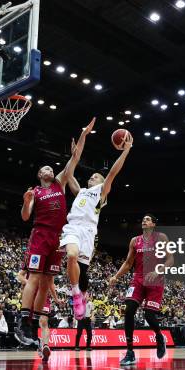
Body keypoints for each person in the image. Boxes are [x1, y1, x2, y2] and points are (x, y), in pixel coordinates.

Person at [15, 119, 95, 345]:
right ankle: (22, 320)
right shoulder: (36, 191)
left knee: (46, 281)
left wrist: (83, 135)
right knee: (35, 277)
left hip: (58, 237)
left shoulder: (60, 183)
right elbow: (25, 216)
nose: (50, 169)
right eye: (46, 168)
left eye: (52, 168)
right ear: (40, 174)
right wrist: (25, 201)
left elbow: (75, 158)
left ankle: (33, 324)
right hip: (41, 235)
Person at [62, 132, 134, 320]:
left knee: (82, 270)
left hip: (88, 231)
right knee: (71, 256)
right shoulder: (81, 191)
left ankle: (81, 294)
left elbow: (112, 173)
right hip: (72, 227)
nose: (92, 177)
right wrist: (74, 156)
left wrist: (126, 151)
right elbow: (68, 174)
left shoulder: (100, 193)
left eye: (96, 176)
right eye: (92, 176)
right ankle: (76, 293)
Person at [109, 214, 174, 365]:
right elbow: (128, 263)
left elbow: (170, 259)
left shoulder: (162, 237)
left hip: (155, 280)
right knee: (129, 310)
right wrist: (116, 276)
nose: (144, 221)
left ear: (153, 224)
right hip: (137, 279)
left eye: (148, 219)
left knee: (149, 315)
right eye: (143, 219)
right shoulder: (134, 240)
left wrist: (158, 270)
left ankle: (159, 336)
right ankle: (130, 352)